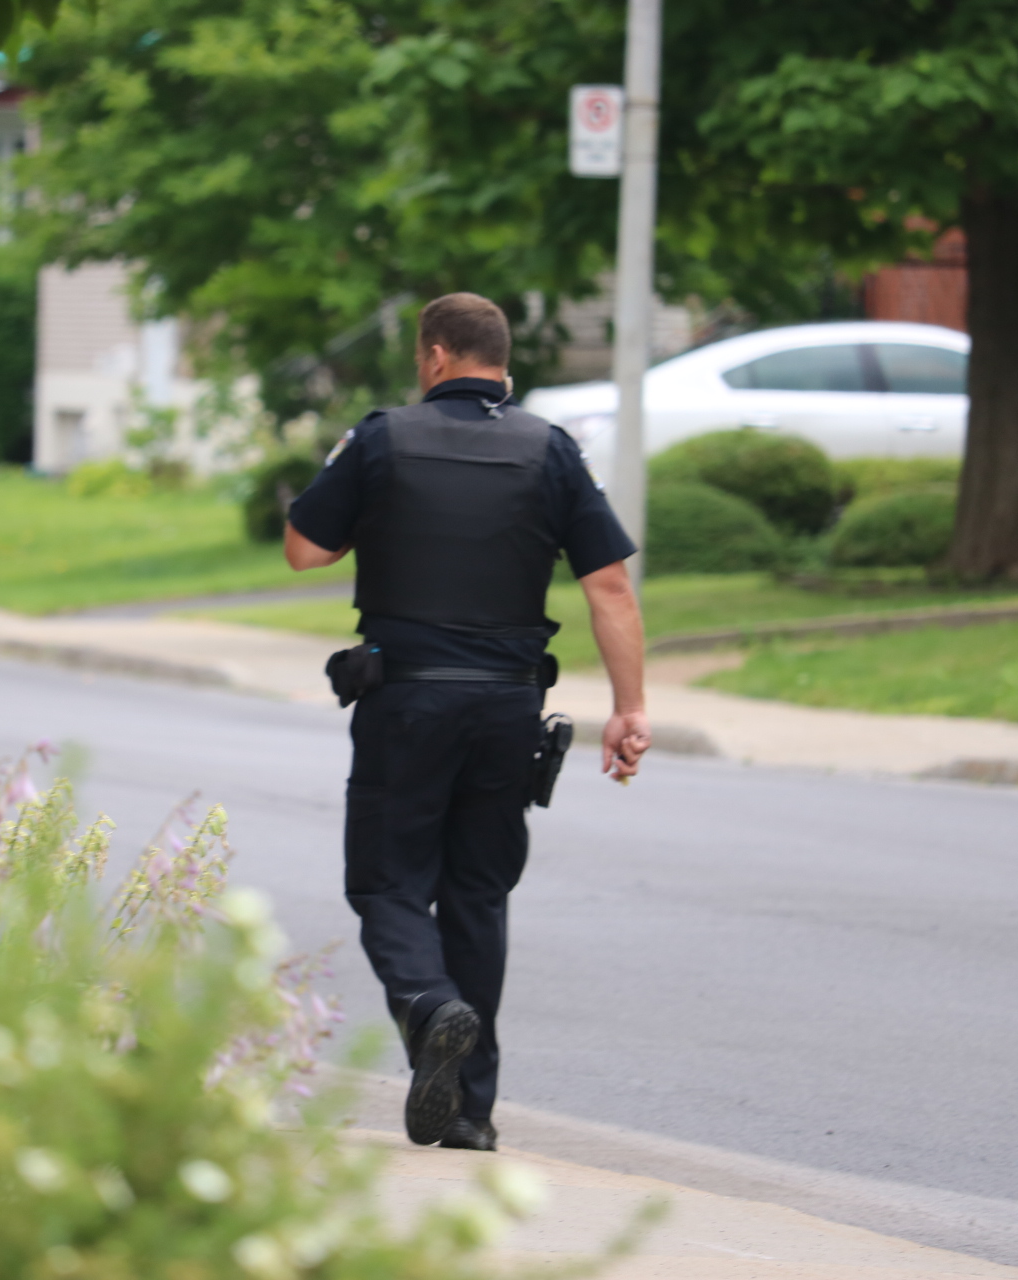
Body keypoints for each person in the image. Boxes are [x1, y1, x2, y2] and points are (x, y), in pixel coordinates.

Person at [283, 292, 650, 1152]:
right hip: (508, 707)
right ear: (501, 361)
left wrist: (373, 500)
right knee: (478, 895)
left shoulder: (382, 438)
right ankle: (470, 1112)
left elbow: (307, 549)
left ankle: (425, 1003)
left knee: (388, 883)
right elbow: (610, 589)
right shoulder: (554, 451)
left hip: (407, 700)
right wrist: (629, 710)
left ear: (437, 356)